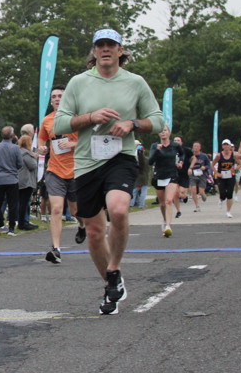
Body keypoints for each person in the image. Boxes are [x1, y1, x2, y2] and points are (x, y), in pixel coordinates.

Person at [54, 28, 163, 315]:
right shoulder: (78, 83)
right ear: (93, 51)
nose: (105, 49)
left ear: (120, 50)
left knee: (118, 209)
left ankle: (114, 267)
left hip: (121, 156)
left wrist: (132, 124)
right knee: (93, 231)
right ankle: (111, 284)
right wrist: (91, 117)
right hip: (87, 161)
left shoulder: (135, 82)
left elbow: (158, 121)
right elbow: (59, 124)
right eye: (100, 45)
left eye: (111, 45)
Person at [37, 84, 87, 264]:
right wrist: (41, 147)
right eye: (54, 97)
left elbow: (89, 140)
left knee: (75, 210)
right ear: (51, 101)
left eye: (60, 96)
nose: (57, 99)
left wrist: (73, 144)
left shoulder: (77, 118)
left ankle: (82, 225)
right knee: (56, 209)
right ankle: (56, 249)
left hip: (76, 170)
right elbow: (42, 138)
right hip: (55, 170)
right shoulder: (47, 120)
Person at [148, 127, 181, 238]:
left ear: (169, 133)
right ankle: (164, 219)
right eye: (161, 131)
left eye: (165, 130)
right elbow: (150, 161)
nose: (163, 132)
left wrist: (181, 162)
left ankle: (168, 226)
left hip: (172, 175)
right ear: (158, 134)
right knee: (162, 203)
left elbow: (182, 154)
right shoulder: (155, 146)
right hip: (159, 176)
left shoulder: (175, 145)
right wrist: (157, 150)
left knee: (169, 200)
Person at [0, 126, 22, 235]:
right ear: (12, 136)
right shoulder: (15, 148)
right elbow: (20, 163)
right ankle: (11, 227)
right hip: (12, 179)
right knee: (13, 204)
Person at [213, 138, 239, 218]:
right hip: (222, 177)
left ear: (230, 146)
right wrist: (217, 173)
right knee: (223, 194)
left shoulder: (233, 155)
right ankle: (221, 199)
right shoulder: (219, 155)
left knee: (230, 194)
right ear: (222, 146)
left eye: (227, 145)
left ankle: (228, 211)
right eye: (224, 145)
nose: (226, 146)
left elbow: (240, 164)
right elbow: (212, 164)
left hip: (231, 176)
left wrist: (235, 169)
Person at [17, 134, 38, 230]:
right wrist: (35, 157)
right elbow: (33, 165)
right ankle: (23, 223)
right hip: (26, 181)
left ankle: (22, 222)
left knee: (20, 202)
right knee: (24, 203)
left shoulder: (18, 152)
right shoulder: (26, 154)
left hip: (19, 180)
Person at [187, 141, 211, 212]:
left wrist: (205, 167)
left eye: (197, 146)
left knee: (201, 191)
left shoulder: (204, 156)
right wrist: (188, 169)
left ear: (200, 148)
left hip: (202, 174)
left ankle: (203, 194)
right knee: (193, 190)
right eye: (194, 146)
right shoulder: (190, 156)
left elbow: (208, 165)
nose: (196, 148)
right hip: (193, 174)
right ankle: (197, 206)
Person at [130, 140, 149, 209]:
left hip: (137, 176)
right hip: (144, 176)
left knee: (134, 191)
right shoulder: (146, 159)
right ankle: (141, 204)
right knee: (143, 191)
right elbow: (148, 168)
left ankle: (131, 204)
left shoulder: (135, 159)